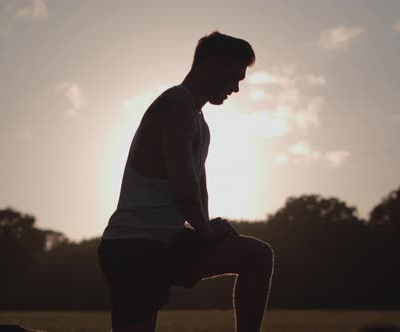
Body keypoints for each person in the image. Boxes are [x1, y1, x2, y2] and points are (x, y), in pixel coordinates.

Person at [98, 31, 274, 332]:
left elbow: (197, 190)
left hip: (167, 243)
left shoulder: (200, 122)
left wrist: (209, 227)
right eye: (234, 77)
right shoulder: (176, 106)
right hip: (134, 248)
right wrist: (206, 230)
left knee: (256, 256)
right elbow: (184, 189)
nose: (236, 88)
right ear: (211, 63)